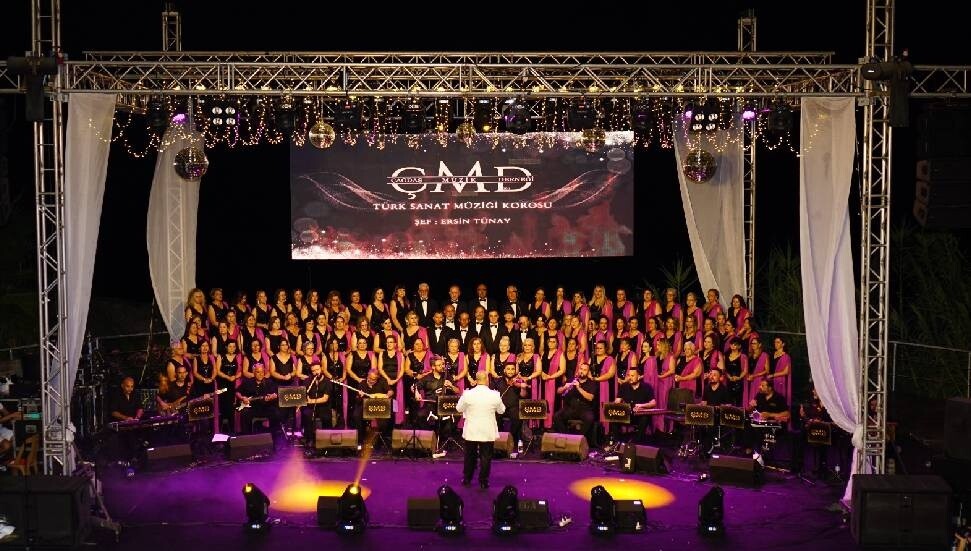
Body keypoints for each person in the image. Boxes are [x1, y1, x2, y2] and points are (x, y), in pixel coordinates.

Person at [456, 371, 505, 489]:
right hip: (487, 430)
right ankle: (483, 481)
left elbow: (459, 408)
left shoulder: (468, 394)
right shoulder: (494, 395)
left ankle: (467, 479)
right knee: (485, 456)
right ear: (487, 380)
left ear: (476, 380)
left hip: (471, 430)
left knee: (469, 455)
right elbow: (501, 410)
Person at [611, 367, 655, 446]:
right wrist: (614, 406)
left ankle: (635, 443)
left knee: (645, 418)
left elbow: (653, 403)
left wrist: (642, 406)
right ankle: (617, 443)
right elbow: (617, 401)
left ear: (639, 377)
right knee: (614, 417)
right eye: (629, 375)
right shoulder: (624, 386)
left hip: (639, 416)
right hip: (627, 415)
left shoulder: (646, 387)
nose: (630, 378)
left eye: (632, 376)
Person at [552, 363, 598, 439]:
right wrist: (565, 387)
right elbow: (558, 391)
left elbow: (590, 397)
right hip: (570, 408)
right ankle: (567, 437)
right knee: (556, 416)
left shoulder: (592, 383)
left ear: (588, 372)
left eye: (584, 370)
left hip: (584, 409)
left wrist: (579, 388)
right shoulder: (571, 380)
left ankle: (579, 438)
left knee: (590, 418)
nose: (582, 371)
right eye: (581, 369)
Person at [237, 364, 280, 438]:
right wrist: (242, 398)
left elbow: (276, 394)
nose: (261, 374)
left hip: (266, 408)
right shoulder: (247, 382)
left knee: (276, 413)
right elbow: (237, 392)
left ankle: (273, 437)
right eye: (258, 372)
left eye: (262, 372)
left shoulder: (269, 382)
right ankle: (246, 437)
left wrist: (273, 396)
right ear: (253, 372)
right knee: (244, 413)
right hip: (252, 408)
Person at [494, 362, 530, 452]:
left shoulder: (519, 381)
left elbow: (523, 396)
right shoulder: (497, 381)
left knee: (517, 417)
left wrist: (523, 388)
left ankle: (512, 439)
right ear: (504, 370)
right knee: (494, 417)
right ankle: (499, 441)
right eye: (508, 369)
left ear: (515, 371)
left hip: (513, 407)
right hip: (500, 407)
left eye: (512, 369)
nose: (510, 371)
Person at [107, 377, 142, 462]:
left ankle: (137, 457)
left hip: (134, 423)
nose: (130, 389)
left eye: (132, 386)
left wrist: (137, 417)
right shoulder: (116, 396)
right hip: (121, 425)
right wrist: (126, 418)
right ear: (122, 385)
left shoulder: (135, 394)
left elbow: (140, 408)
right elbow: (113, 412)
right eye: (128, 386)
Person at [301, 362, 333, 448]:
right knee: (307, 415)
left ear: (321, 369)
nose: (316, 372)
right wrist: (306, 398)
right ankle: (310, 439)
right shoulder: (308, 381)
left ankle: (326, 440)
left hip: (324, 406)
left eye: (317, 370)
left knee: (326, 417)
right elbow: (304, 394)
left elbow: (325, 399)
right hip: (311, 407)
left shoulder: (327, 382)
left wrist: (311, 401)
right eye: (313, 371)